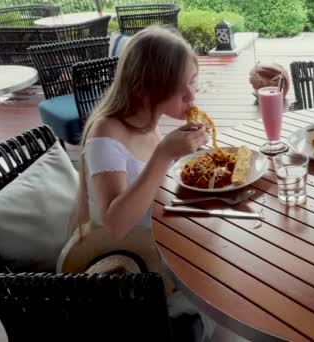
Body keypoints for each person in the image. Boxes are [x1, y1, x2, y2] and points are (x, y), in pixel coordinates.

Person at [65, 27, 214, 340]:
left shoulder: (148, 123)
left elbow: (158, 184)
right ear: (147, 89)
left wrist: (189, 157)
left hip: (168, 236)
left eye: (193, 81)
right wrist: (164, 155)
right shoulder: (107, 133)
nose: (192, 96)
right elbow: (116, 223)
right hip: (136, 260)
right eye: (181, 87)